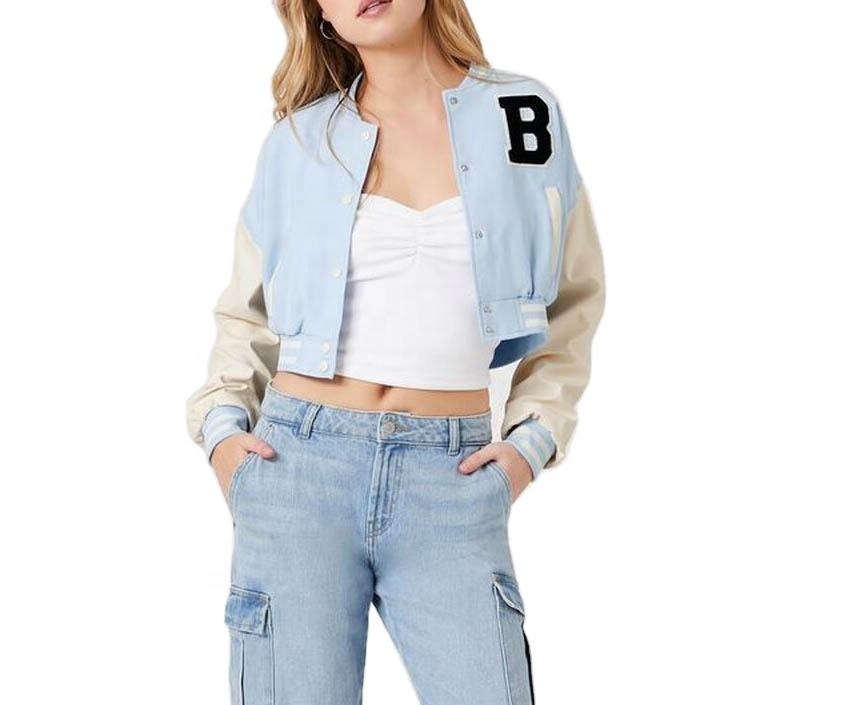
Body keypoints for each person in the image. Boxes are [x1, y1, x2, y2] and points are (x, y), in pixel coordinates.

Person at [185, 0, 605, 702]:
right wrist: (223, 434)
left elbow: (574, 302)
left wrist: (530, 444)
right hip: (299, 471)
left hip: (454, 478)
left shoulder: (523, 115)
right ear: (319, 13)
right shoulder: (300, 141)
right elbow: (245, 315)